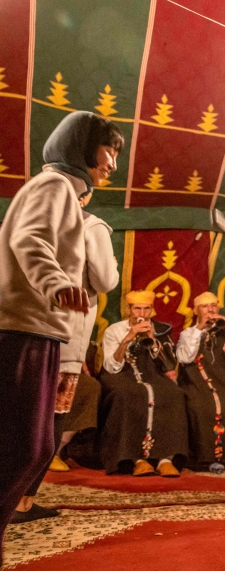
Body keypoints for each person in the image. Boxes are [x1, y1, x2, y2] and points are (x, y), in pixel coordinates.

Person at [0, 111, 122, 545]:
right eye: (109, 151)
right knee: (23, 448)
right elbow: (29, 239)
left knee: (29, 449)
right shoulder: (53, 185)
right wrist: (57, 284)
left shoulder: (65, 193)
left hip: (42, 331)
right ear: (82, 146)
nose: (112, 164)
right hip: (25, 329)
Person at [13, 191, 120, 523]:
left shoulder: (28, 224)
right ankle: (22, 503)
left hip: (23, 336)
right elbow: (105, 279)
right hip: (64, 340)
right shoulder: (91, 226)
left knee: (21, 419)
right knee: (51, 423)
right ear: (84, 197)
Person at [99, 290, 188, 476]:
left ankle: (165, 458)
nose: (142, 314)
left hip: (151, 375)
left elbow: (168, 366)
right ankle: (135, 459)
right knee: (127, 394)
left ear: (151, 310)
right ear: (129, 310)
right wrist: (127, 339)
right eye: (137, 309)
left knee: (174, 394)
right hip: (121, 374)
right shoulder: (113, 330)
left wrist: (154, 341)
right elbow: (111, 366)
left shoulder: (160, 329)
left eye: (146, 309)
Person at [175, 292, 225, 468]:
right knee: (202, 407)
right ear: (196, 311)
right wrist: (199, 330)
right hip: (197, 382)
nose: (210, 310)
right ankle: (205, 458)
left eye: (214, 305)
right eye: (205, 306)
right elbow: (184, 358)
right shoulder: (188, 333)